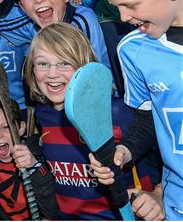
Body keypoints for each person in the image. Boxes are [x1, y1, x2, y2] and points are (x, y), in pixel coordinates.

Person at [23, 23, 161, 220]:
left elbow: (171, 163)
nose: (52, 74)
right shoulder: (42, 116)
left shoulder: (119, 113)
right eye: (43, 64)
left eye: (64, 63)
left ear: (84, 67)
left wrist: (159, 195)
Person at [92, 0, 183, 220]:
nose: (123, 18)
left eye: (130, 5)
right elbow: (149, 119)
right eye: (117, 7)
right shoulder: (133, 50)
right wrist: (125, 151)